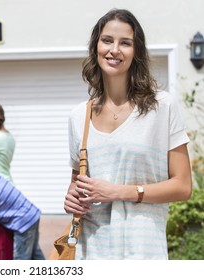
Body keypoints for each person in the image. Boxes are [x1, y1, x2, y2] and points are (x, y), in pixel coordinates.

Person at [63, 9, 192, 259]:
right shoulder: (79, 116)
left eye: (126, 43)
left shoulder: (162, 107)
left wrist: (119, 191)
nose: (115, 50)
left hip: (144, 253)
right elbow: (77, 182)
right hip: (91, 253)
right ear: (96, 47)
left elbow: (183, 186)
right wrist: (71, 197)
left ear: (137, 52)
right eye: (107, 40)